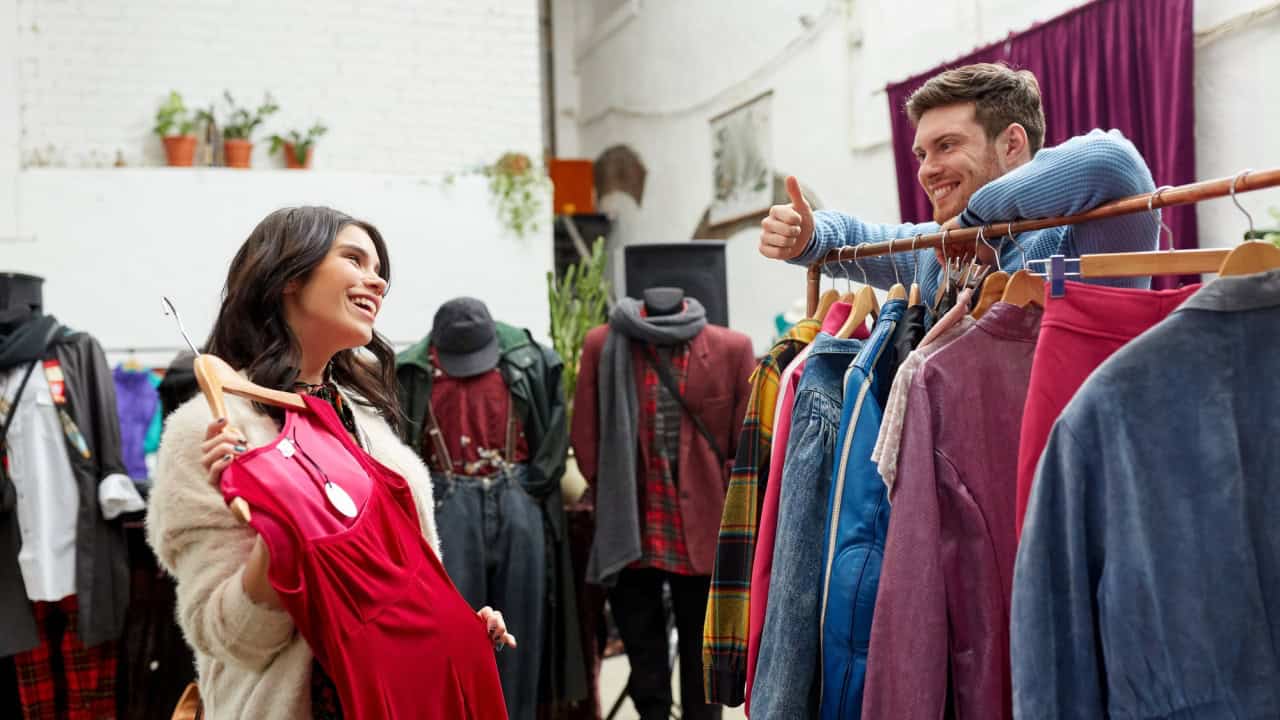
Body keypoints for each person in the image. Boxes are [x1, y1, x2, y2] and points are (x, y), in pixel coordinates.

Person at [146, 206, 515, 719]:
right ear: (289, 277)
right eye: (355, 259)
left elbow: (393, 579)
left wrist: (447, 621)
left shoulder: (366, 420)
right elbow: (226, 638)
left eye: (379, 268)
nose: (377, 280)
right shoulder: (210, 430)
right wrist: (280, 531)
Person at [759, 62, 1160, 295]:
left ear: (1012, 143)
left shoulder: (1083, 239)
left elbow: (1112, 160)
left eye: (947, 145)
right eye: (921, 154)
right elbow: (854, 234)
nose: (926, 169)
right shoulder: (936, 254)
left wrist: (972, 223)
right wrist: (807, 235)